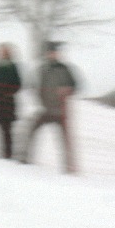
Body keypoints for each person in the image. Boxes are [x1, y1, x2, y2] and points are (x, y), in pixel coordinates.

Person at [19, 41, 78, 173]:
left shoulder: (65, 69)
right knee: (31, 130)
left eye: (55, 52)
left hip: (61, 112)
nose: (52, 55)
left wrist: (67, 90)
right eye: (50, 52)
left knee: (65, 140)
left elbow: (75, 86)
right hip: (45, 110)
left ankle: (69, 167)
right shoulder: (42, 69)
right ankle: (24, 158)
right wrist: (34, 92)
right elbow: (31, 84)